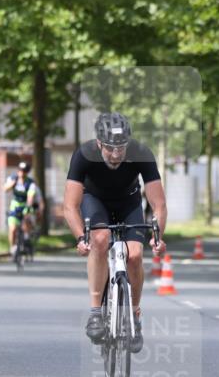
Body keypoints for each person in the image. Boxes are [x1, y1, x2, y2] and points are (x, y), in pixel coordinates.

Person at [63, 112, 167, 353]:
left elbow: (158, 204)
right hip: (94, 200)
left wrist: (157, 236)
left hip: (128, 202)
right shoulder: (84, 155)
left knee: (135, 255)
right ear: (99, 143)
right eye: (110, 148)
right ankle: (96, 313)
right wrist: (81, 237)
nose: (116, 154)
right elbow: (69, 206)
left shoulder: (141, 153)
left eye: (121, 148)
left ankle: (135, 315)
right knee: (100, 239)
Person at [4, 161, 36, 256]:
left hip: (25, 204)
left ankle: (26, 237)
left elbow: (30, 197)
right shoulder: (12, 178)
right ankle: (13, 247)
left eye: (24, 171)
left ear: (27, 172)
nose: (21, 173)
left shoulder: (30, 183)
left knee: (26, 220)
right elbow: (5, 188)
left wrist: (28, 207)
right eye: (20, 170)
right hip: (15, 205)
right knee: (12, 228)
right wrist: (12, 184)